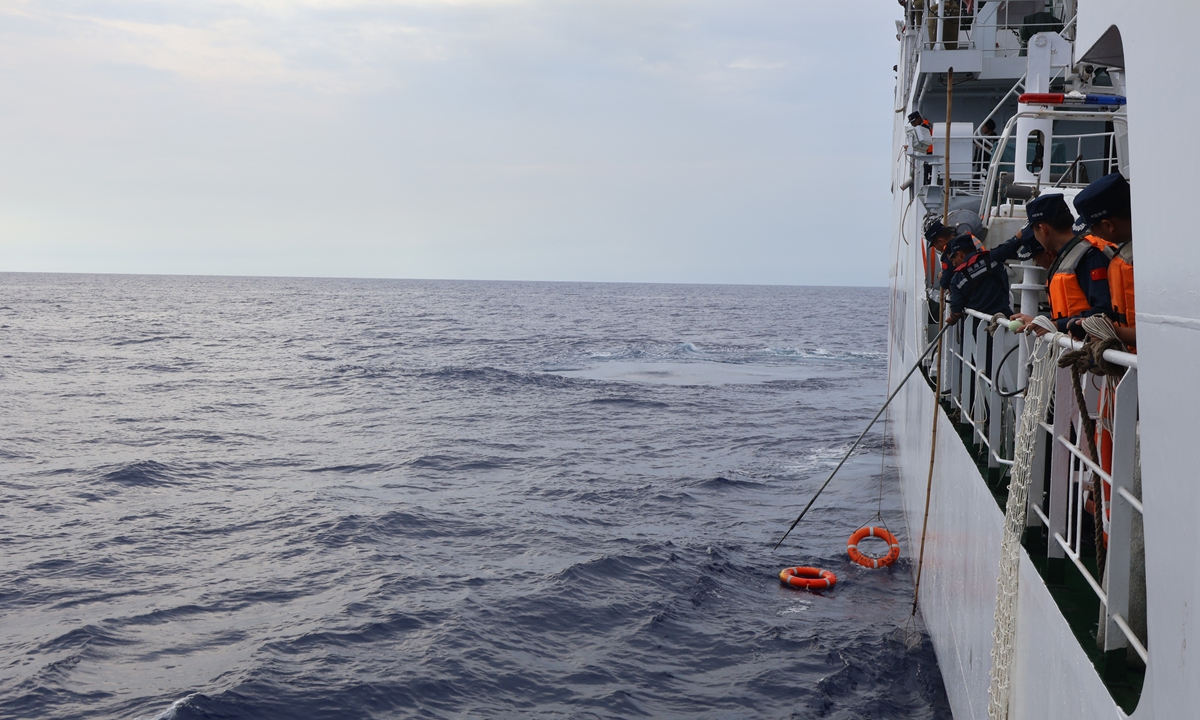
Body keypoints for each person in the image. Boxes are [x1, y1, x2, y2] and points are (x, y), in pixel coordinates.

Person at [1011, 193, 1116, 338]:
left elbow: (1105, 312)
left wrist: (1057, 326)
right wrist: (1039, 321)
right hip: (1076, 346)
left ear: (1043, 229)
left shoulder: (1089, 257)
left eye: (1035, 231)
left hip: (1093, 350)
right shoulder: (1069, 255)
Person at [1073, 173, 1135, 347]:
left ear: (1108, 225)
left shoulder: (1144, 260)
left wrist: (1107, 331)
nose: (1092, 234)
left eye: (1092, 228)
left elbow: (1163, 334)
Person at [945, 233, 1014, 326]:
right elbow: (1012, 245)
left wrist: (952, 319)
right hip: (1004, 322)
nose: (953, 265)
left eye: (953, 260)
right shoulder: (993, 257)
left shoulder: (957, 280)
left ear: (959, 254)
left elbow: (957, 312)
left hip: (980, 328)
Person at [908, 111, 935, 185]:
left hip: (931, 151)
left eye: (913, 122)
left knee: (928, 170)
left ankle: (928, 183)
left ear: (919, 118)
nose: (913, 124)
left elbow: (922, 141)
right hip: (929, 150)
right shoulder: (925, 125)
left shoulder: (924, 126)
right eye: (911, 123)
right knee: (927, 170)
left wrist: (911, 146)